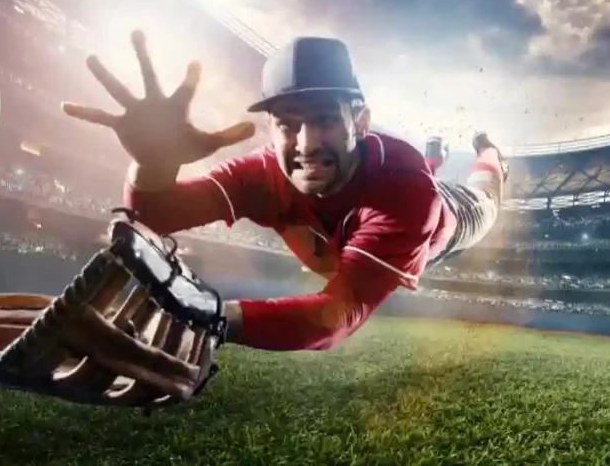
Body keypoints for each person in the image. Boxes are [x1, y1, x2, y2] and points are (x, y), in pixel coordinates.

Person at [63, 32, 508, 352]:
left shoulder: (405, 190)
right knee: (426, 171)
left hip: (450, 216)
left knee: (486, 195)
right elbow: (151, 219)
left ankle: (488, 151)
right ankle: (438, 157)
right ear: (270, 129)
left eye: (325, 119)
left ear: (360, 121)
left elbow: (339, 314)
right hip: (398, 188)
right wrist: (152, 165)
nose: (307, 142)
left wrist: (215, 316)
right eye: (288, 123)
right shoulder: (262, 173)